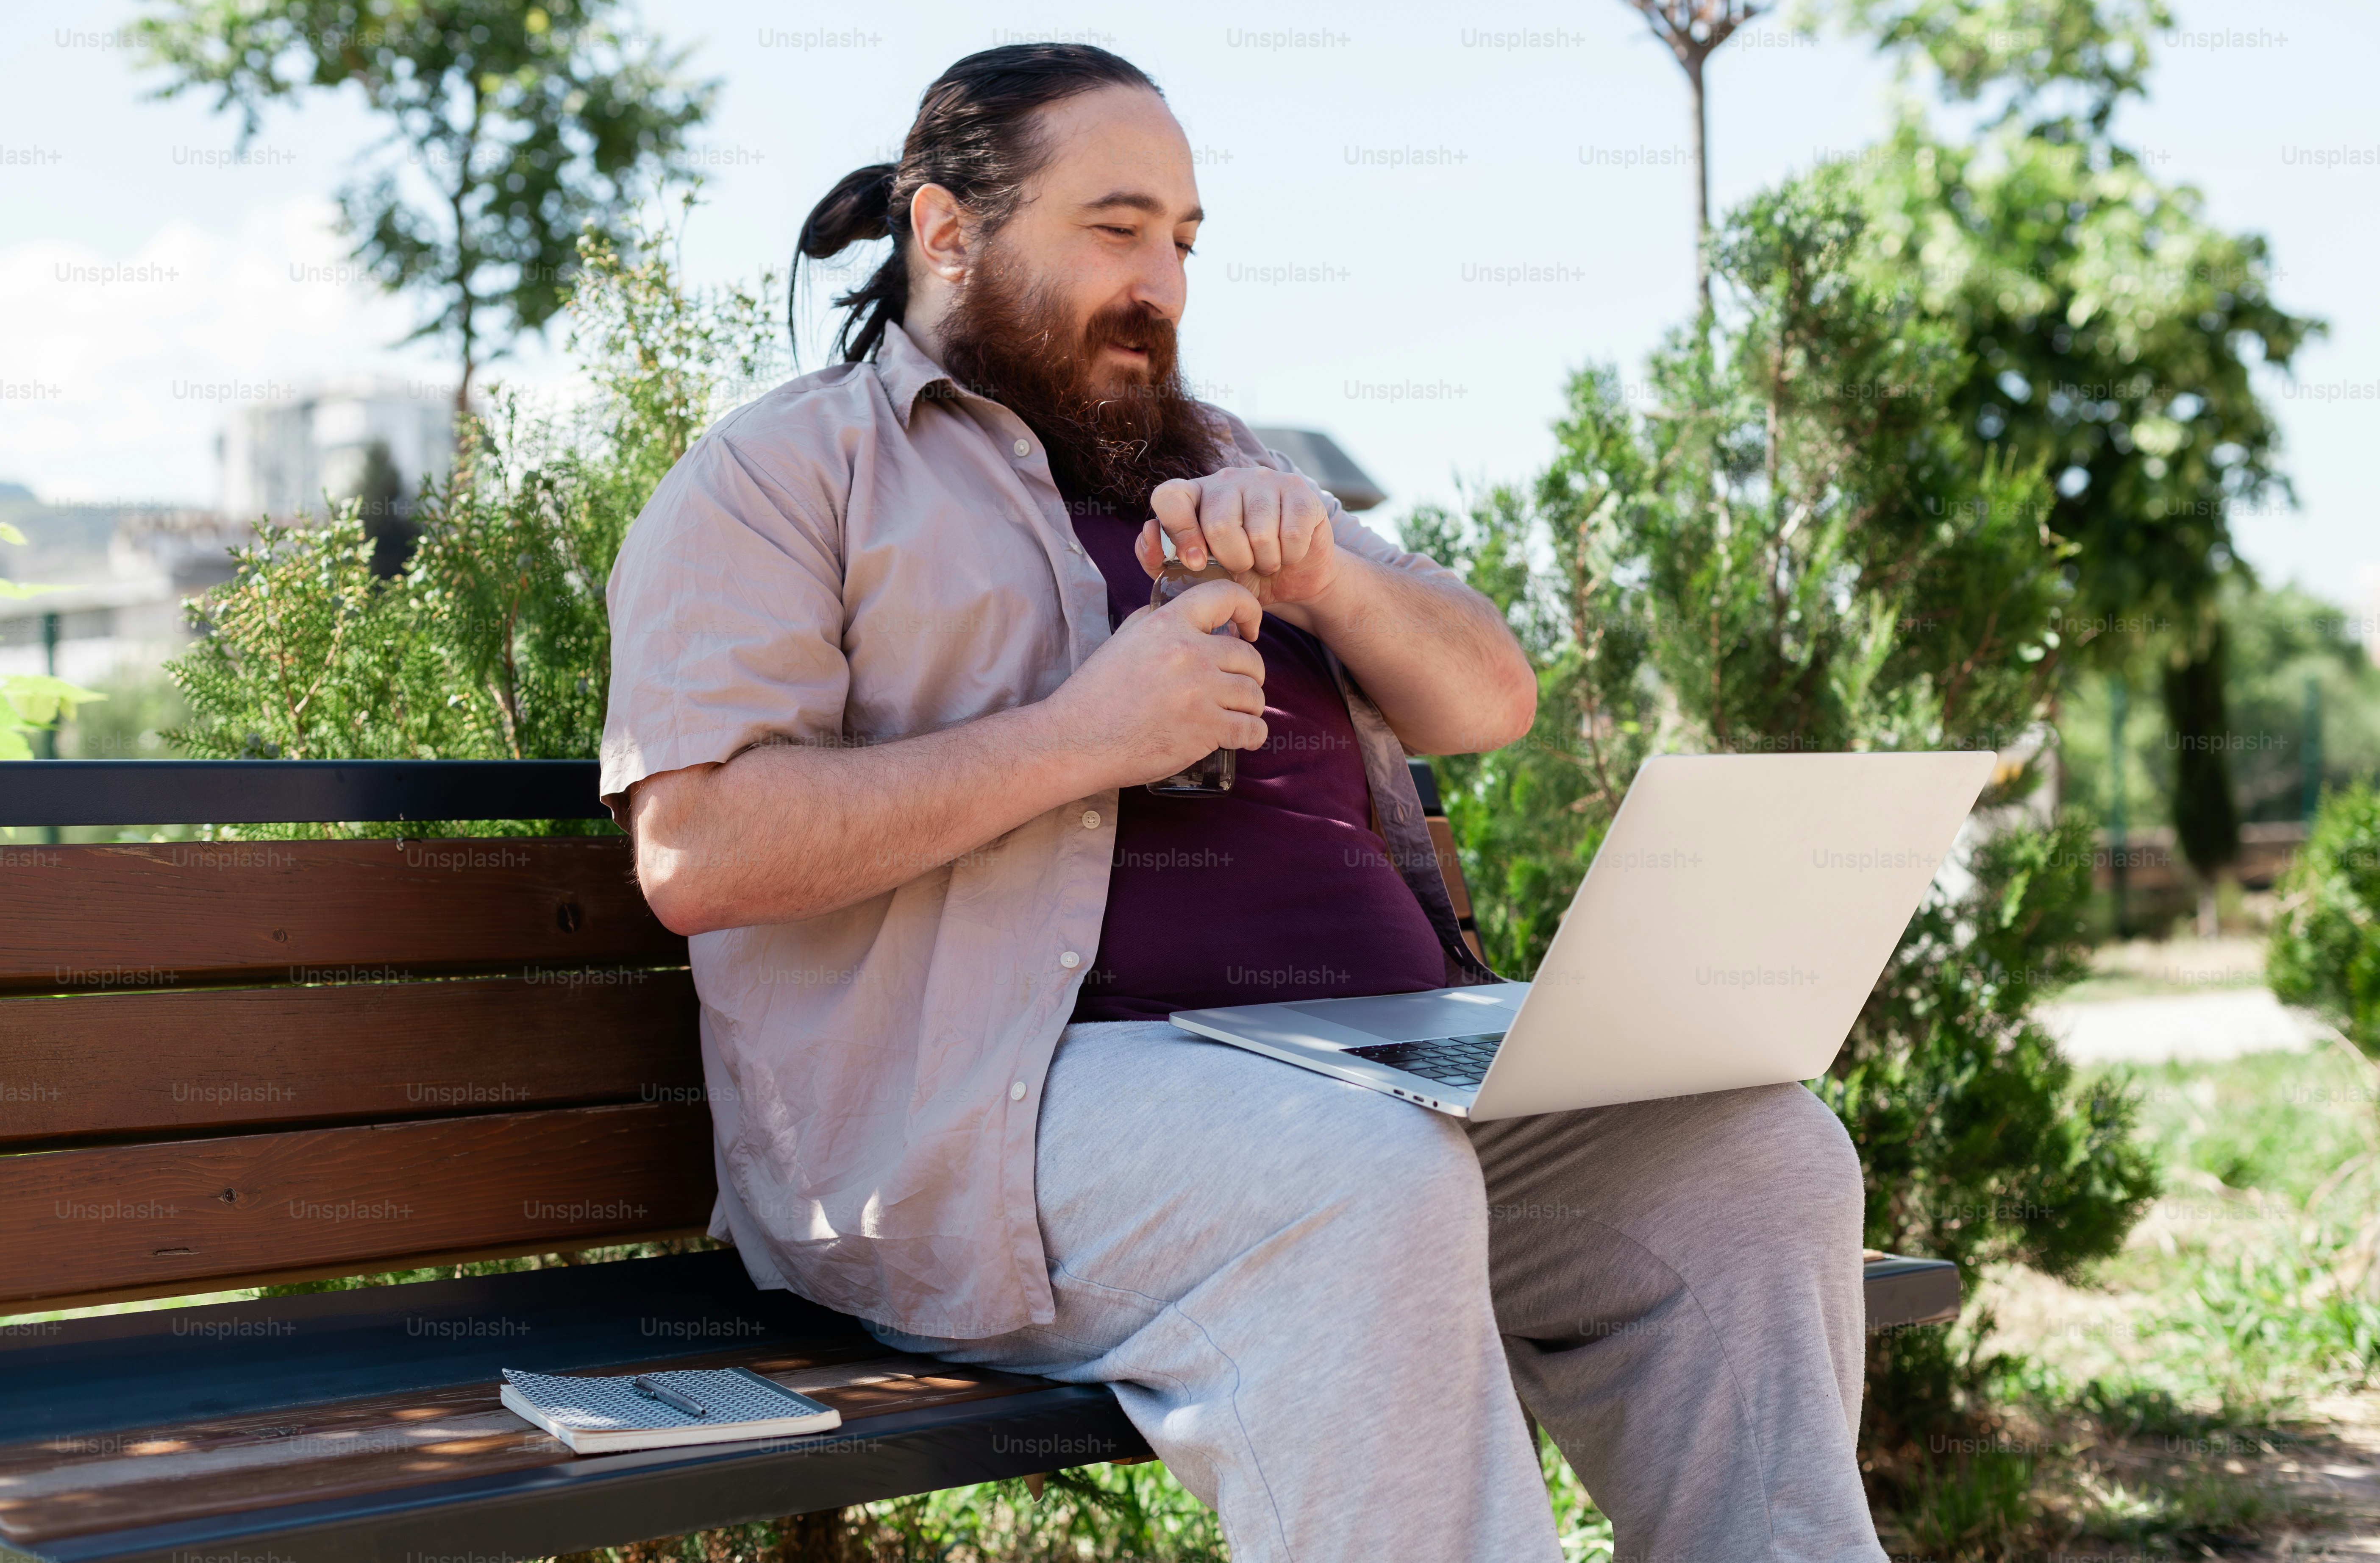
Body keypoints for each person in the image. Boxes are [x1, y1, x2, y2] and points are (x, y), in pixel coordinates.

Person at [602, 42, 1883, 1563]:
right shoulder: (785, 473)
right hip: (990, 1128)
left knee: (1753, 1151)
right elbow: (695, 849)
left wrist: (1329, 574)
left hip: (1374, 1081)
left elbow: (1488, 700)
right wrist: (1081, 737)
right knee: (1358, 1185)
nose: (1165, 285)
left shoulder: (1230, 462)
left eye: (1187, 241)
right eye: (1117, 228)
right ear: (947, 231)